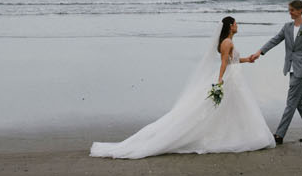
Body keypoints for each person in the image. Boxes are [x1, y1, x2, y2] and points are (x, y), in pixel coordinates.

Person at [90, 16, 275, 158]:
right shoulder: (227, 42)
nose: (237, 25)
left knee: (232, 109)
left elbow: (232, 60)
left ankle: (236, 134)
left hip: (234, 77)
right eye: (235, 23)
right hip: (230, 79)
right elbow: (224, 63)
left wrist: (247, 60)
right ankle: (237, 136)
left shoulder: (228, 42)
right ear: (230, 26)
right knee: (228, 108)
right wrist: (220, 81)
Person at [248, 0, 302, 144]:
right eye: (289, 10)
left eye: (292, 10)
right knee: (300, 102)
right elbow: (275, 40)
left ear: (299, 11)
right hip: (290, 68)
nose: (289, 12)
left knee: (291, 102)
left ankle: (279, 135)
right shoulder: (287, 27)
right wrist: (259, 52)